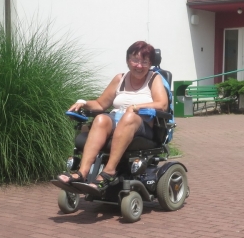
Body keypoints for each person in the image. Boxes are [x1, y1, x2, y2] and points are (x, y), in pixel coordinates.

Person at [54, 41, 169, 192]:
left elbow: (162, 104)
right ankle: (82, 173)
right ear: (128, 60)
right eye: (135, 60)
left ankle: (109, 171)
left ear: (150, 64)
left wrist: (135, 108)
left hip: (141, 127)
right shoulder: (119, 79)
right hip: (117, 121)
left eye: (144, 62)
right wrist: (83, 103)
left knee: (129, 117)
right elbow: (100, 104)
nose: (139, 65)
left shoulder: (154, 78)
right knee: (101, 118)